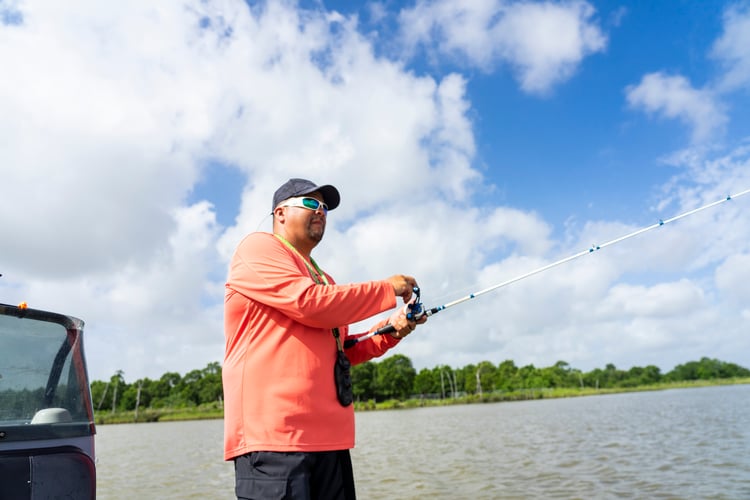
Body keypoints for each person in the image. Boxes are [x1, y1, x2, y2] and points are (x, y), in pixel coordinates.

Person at [223, 177, 426, 499]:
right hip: (276, 440)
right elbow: (309, 303)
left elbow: (342, 351)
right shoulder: (258, 248)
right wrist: (388, 289)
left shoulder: (322, 278)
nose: (320, 211)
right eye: (309, 203)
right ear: (280, 214)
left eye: (324, 208)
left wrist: (392, 330)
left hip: (330, 441)